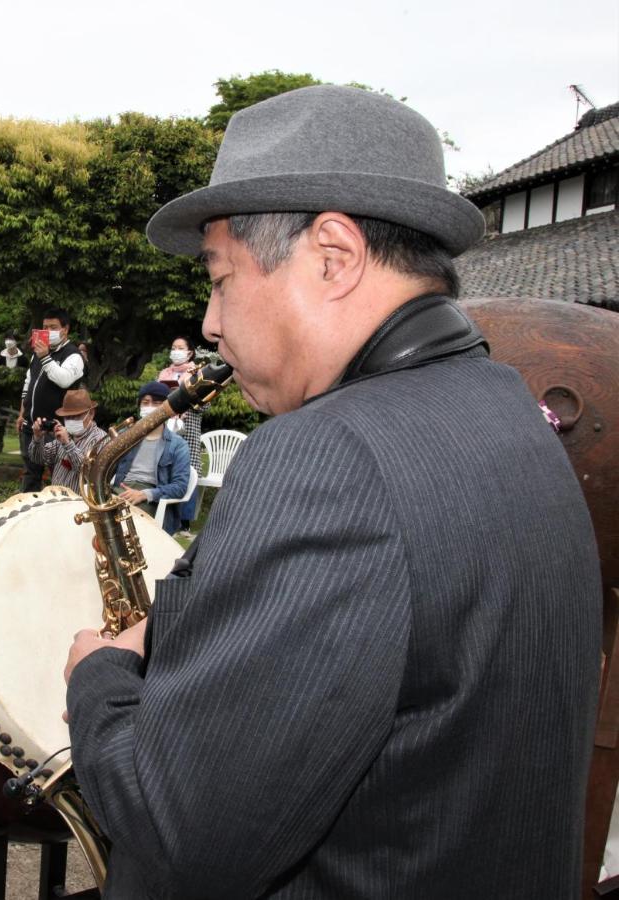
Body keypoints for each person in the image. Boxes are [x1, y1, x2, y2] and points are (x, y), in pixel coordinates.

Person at [62, 85, 601, 898]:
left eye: (220, 277)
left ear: (333, 256)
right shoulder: (510, 412)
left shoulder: (325, 457)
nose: (210, 322)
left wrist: (98, 679)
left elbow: (183, 826)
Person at [17, 308, 85, 491]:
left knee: (60, 475)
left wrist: (45, 357)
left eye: (53, 327)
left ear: (65, 329)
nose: (48, 331)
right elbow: (28, 382)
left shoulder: (73, 355)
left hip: (56, 428)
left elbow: (64, 380)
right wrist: (22, 412)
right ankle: (28, 514)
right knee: (31, 474)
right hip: (32, 426)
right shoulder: (38, 353)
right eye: (45, 327)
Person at [110, 381, 191, 533]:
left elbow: (180, 486)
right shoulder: (127, 436)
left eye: (157, 403)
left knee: (122, 522)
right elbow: (108, 468)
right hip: (120, 490)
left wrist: (145, 494)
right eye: (146, 402)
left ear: (167, 407)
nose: (150, 407)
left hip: (151, 498)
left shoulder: (178, 444)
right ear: (139, 406)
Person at [157, 336, 203, 533]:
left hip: (188, 425)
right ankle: (165, 512)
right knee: (166, 464)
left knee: (188, 467)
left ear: (189, 352)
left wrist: (186, 395)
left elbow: (205, 403)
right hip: (165, 424)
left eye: (180, 348)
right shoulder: (164, 373)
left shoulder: (196, 373)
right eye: (173, 347)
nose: (176, 351)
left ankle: (185, 521)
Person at [28, 388, 108, 493]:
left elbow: (90, 473)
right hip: (56, 500)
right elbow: (38, 458)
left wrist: (68, 444)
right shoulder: (64, 435)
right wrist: (37, 438)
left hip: (79, 504)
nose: (71, 421)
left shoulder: (101, 439)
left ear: (91, 413)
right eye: (68, 417)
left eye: (76, 416)